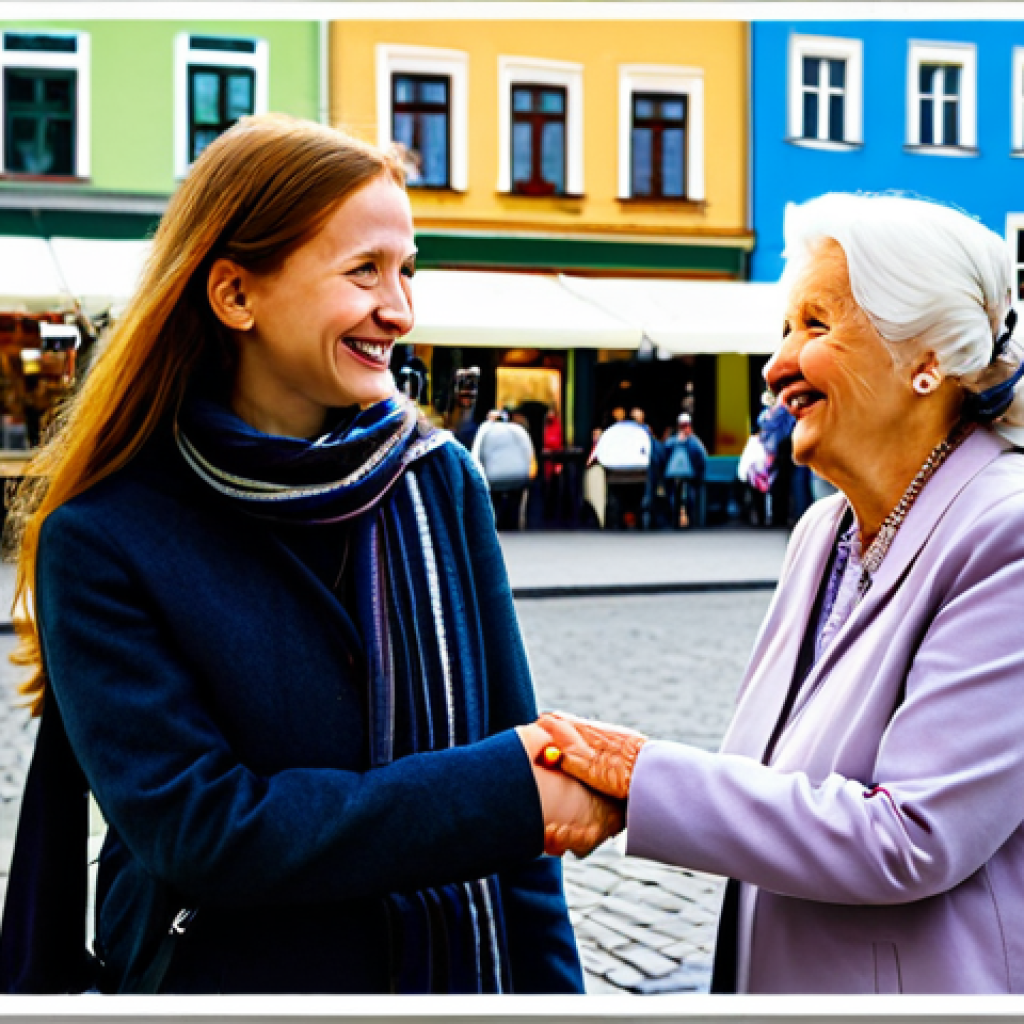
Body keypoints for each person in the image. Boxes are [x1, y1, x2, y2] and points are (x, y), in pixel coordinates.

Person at [0, 115, 623, 995]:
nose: (399, 308)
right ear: (235, 294)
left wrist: (555, 1000)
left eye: (407, 271)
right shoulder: (104, 538)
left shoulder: (438, 481)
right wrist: (494, 795)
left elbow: (522, 821)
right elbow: (202, 831)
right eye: (363, 271)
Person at [532, 193, 1024, 993]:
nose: (775, 367)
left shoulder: (1007, 532)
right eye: (782, 331)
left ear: (925, 358)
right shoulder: (820, 534)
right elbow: (768, 793)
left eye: (815, 326)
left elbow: (914, 835)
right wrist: (628, 793)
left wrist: (640, 774)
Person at [663, 413, 708, 528]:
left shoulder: (692, 441)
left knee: (687, 496)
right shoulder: (674, 440)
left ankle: (688, 519)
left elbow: (701, 456)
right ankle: (676, 519)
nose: (685, 428)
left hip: (688, 475)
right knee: (676, 496)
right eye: (683, 426)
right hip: (677, 475)